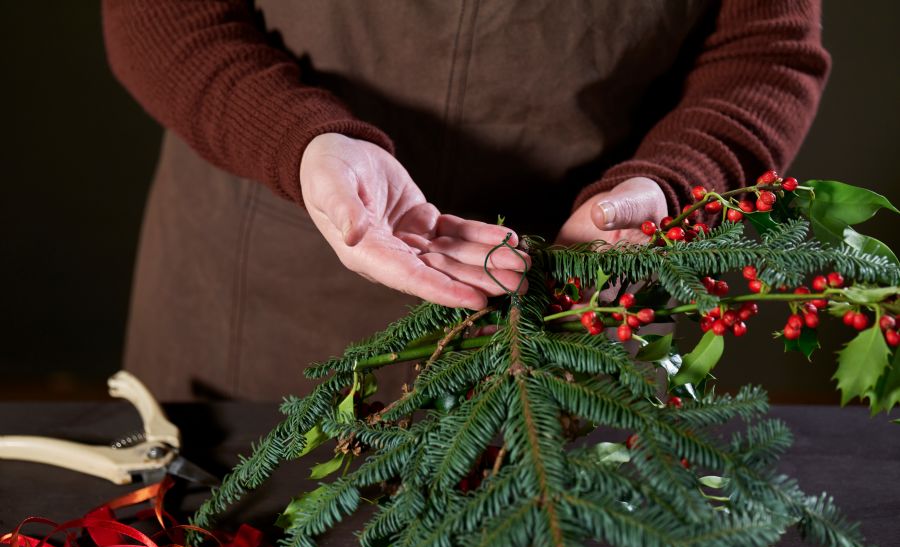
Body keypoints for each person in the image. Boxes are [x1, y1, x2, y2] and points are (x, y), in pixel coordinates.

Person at [103, 0, 829, 401]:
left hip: (569, 315)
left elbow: (765, 48)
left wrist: (674, 180)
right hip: (257, 303)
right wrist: (300, 142)